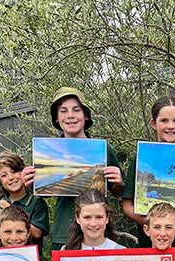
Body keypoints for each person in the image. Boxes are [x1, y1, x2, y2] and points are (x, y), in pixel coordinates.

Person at [22, 87, 124, 249]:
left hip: (97, 234)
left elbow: (117, 192)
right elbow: (43, 193)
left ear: (86, 115)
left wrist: (118, 182)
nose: (70, 115)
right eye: (63, 111)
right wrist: (29, 184)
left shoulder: (104, 149)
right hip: (64, 233)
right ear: (56, 118)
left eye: (76, 110)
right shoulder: (48, 151)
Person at [122, 96, 175, 259]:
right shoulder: (140, 159)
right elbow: (127, 206)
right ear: (153, 123)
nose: (171, 126)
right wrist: (155, 227)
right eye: (164, 120)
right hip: (150, 244)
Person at [0, 150, 49, 252]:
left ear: (23, 172)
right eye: (4, 175)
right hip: (5, 260)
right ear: (0, 181)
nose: (11, 178)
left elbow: (37, 233)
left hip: (32, 260)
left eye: (14, 171)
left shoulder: (37, 202)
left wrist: (10, 210)